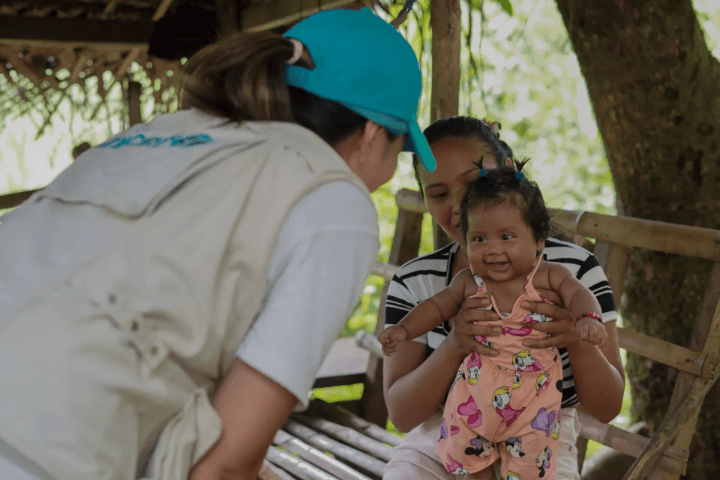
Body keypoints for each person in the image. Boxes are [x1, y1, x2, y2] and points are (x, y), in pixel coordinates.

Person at [0, 9, 435, 480]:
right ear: (372, 135)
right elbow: (222, 467)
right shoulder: (334, 199)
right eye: (398, 149)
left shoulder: (158, 134)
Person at [382, 116, 625, 480]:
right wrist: (454, 344)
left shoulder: (571, 272)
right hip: (448, 429)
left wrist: (577, 337)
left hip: (543, 429)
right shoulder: (417, 281)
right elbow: (401, 416)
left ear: (509, 173)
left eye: (473, 182)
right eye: (438, 194)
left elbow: (607, 407)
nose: (458, 204)